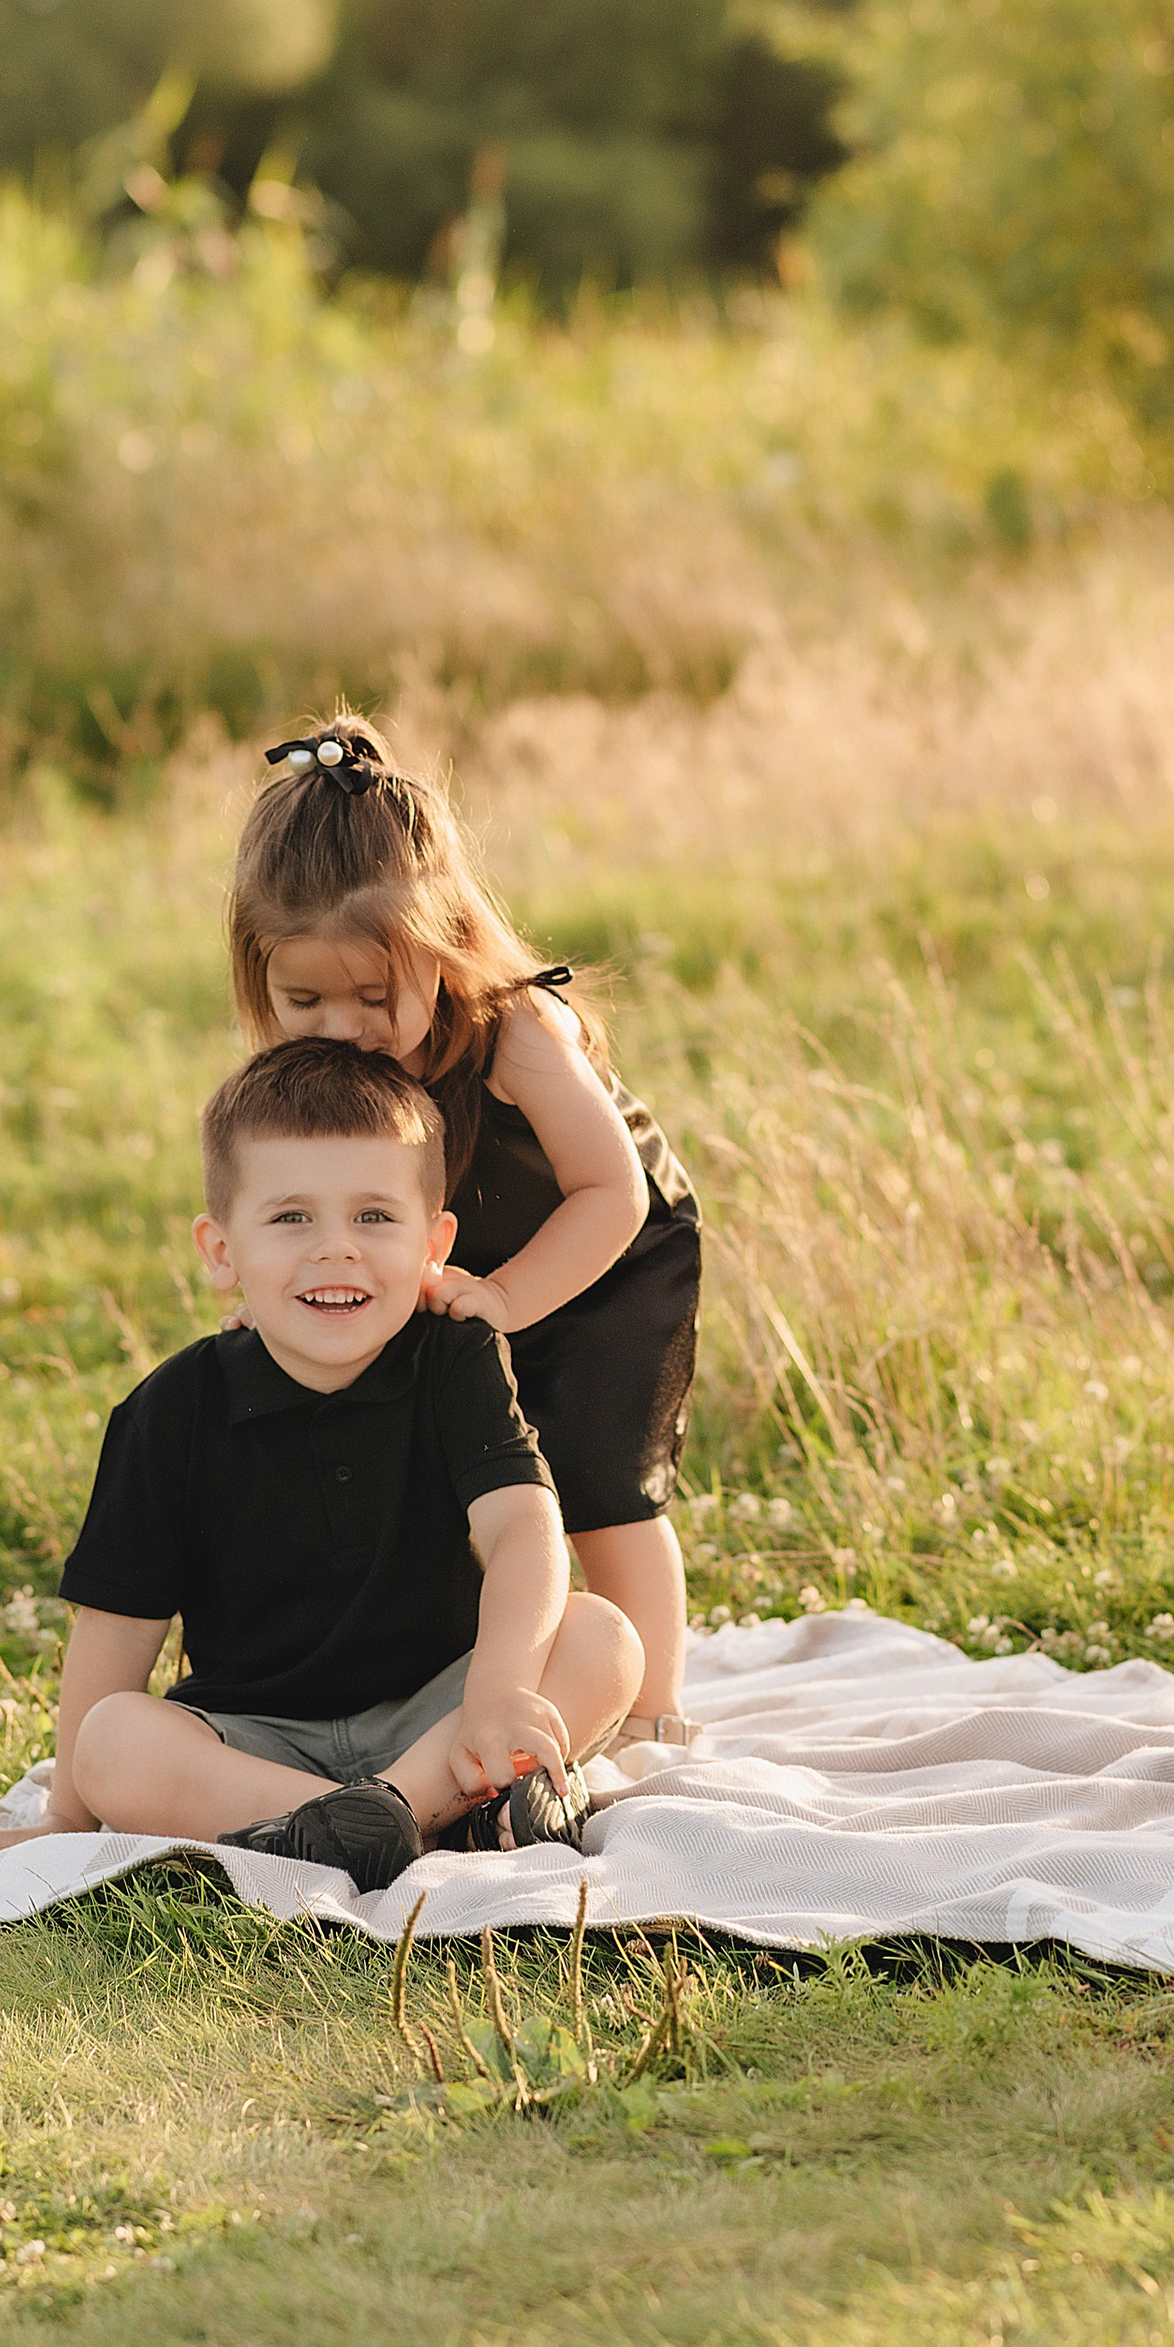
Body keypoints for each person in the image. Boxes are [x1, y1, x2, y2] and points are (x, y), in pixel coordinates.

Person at [0, 1040, 644, 1888]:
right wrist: (66, 1819)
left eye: (374, 1218)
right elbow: (117, 1626)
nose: (335, 1249)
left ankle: (382, 1821)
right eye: (291, 1218)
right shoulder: (172, 1408)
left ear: (434, 1244)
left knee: (601, 1638)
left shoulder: (455, 1358)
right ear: (221, 1250)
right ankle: (425, 1818)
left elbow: (522, 1526)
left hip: (440, 1713)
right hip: (255, 1737)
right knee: (113, 1740)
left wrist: (498, 1691)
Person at [228, 716, 700, 1745]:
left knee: (598, 1475)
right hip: (455, 1259)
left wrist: (507, 1300)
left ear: (441, 948)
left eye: (373, 995)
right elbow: (281, 1192)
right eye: (302, 999)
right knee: (469, 1467)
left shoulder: (511, 1031)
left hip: (606, 1253)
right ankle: (484, 1670)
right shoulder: (310, 1063)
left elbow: (610, 1192)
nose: (341, 1028)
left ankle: (651, 1712)